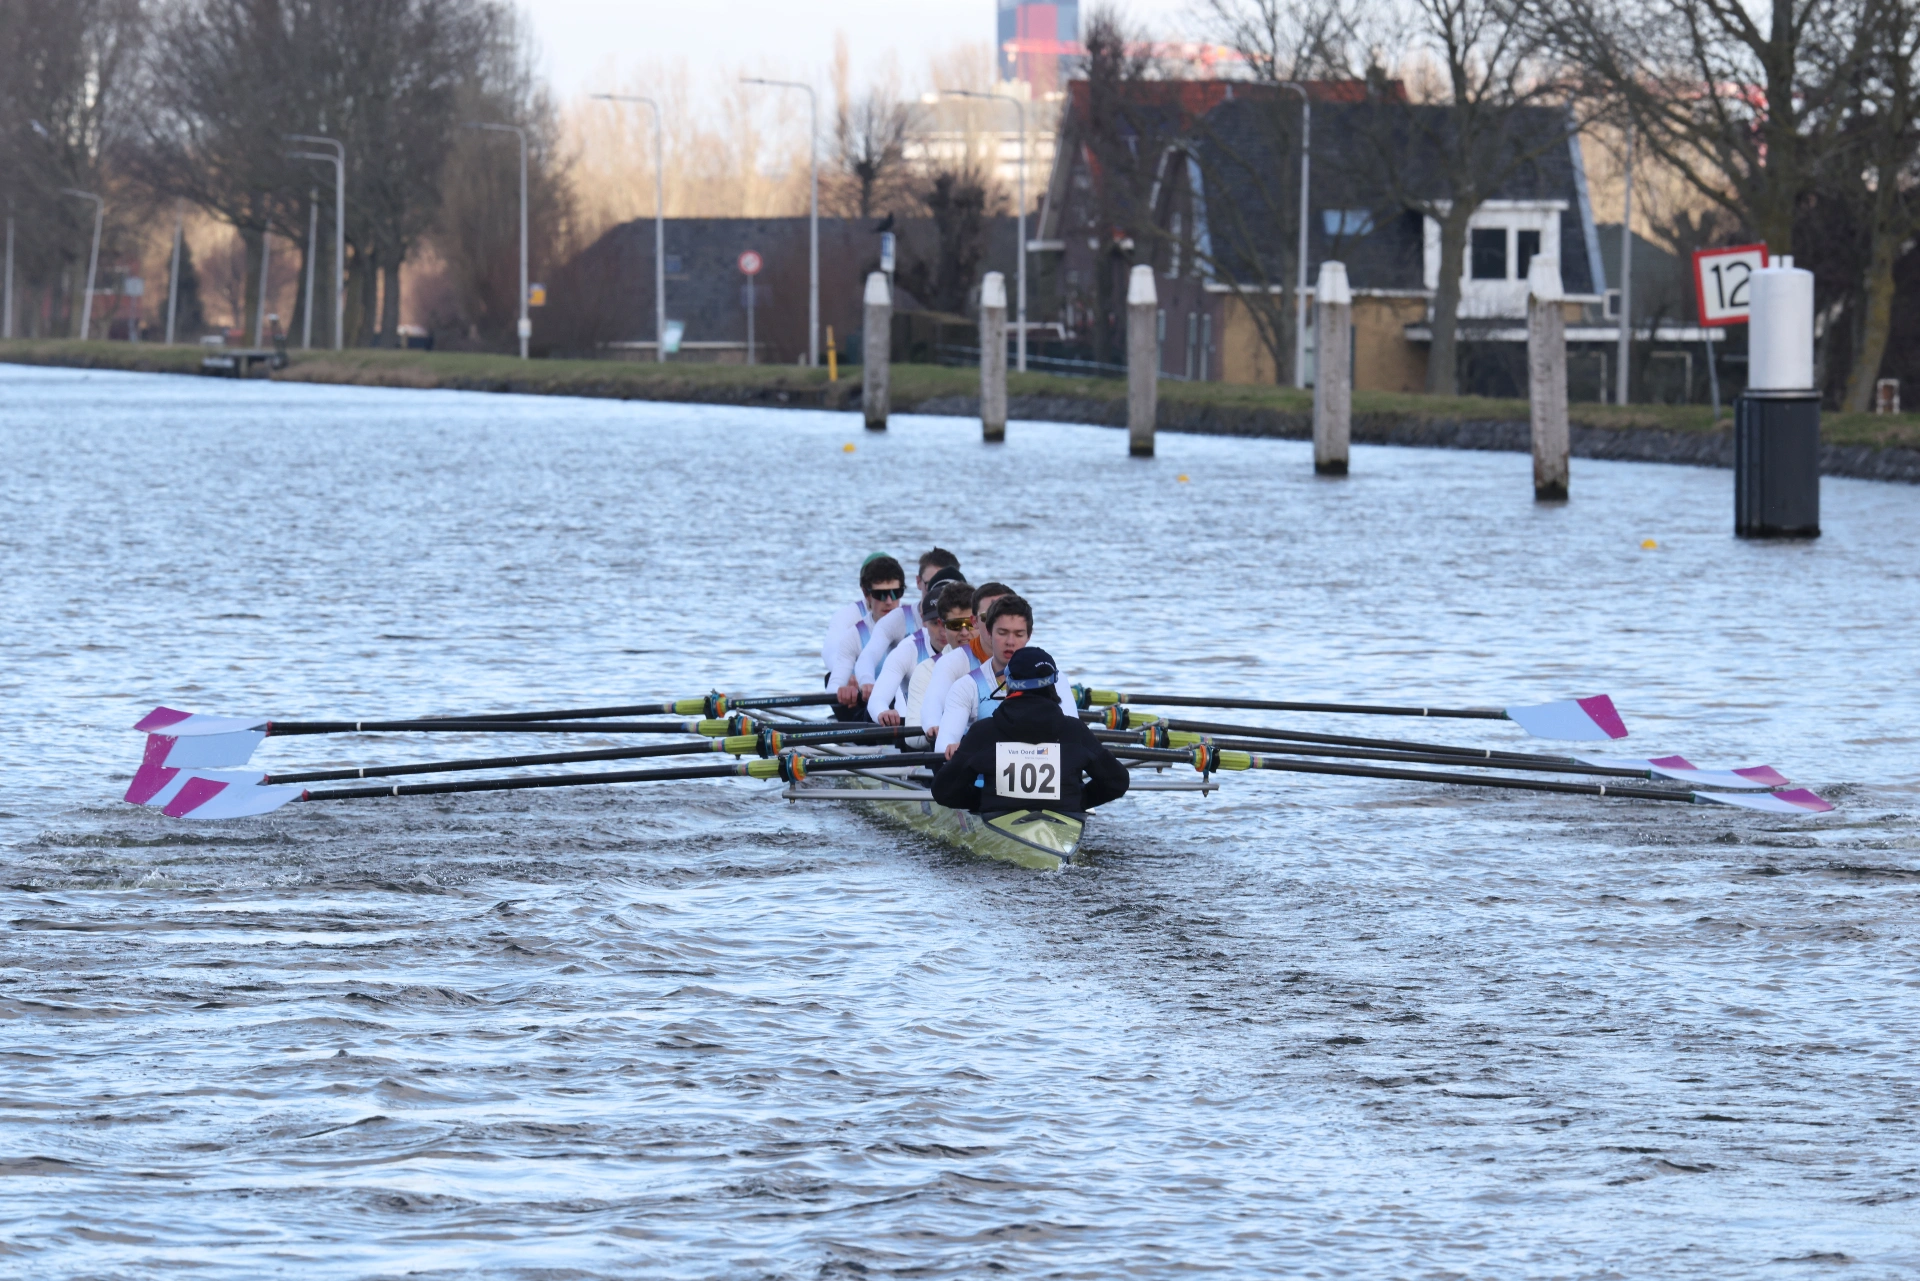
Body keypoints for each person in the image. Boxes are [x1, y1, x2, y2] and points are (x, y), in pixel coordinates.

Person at [931, 646, 1130, 814]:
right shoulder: (1075, 731)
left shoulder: (983, 732)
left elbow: (943, 791)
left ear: (1009, 683)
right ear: (1053, 685)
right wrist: (1079, 800)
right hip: (1064, 817)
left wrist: (983, 800)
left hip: (998, 817)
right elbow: (1117, 781)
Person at [935, 592, 1078, 756]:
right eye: (1002, 633)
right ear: (989, 633)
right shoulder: (967, 686)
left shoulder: (1055, 680)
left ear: (1029, 636)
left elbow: (1072, 737)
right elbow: (943, 745)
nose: (1010, 642)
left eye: (1019, 634)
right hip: (985, 771)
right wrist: (952, 748)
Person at [854, 548, 965, 687]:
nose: (940, 593)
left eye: (948, 588)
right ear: (919, 582)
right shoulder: (899, 621)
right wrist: (866, 682)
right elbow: (868, 656)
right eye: (932, 584)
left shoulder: (974, 627)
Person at [919, 581, 1011, 745]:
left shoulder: (1038, 663)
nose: (996, 623)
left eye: (1003, 616)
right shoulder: (953, 662)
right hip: (971, 748)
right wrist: (933, 725)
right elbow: (934, 700)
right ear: (975, 621)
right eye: (988, 617)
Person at [867, 578, 968, 726]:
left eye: (952, 624)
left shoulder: (981, 651)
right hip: (917, 730)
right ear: (923, 621)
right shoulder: (907, 650)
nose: (942, 632)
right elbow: (877, 699)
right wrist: (883, 713)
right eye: (935, 623)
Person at [824, 555, 907, 721]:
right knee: (829, 678)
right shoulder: (854, 635)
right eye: (880, 594)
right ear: (866, 594)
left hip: (907, 706)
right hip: (870, 711)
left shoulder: (917, 626)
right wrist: (842, 691)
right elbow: (833, 686)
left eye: (895, 593)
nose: (889, 601)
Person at [821, 553, 894, 674]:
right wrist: (846, 674)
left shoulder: (906, 615)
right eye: (880, 590)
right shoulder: (847, 615)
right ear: (865, 589)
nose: (888, 599)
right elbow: (830, 651)